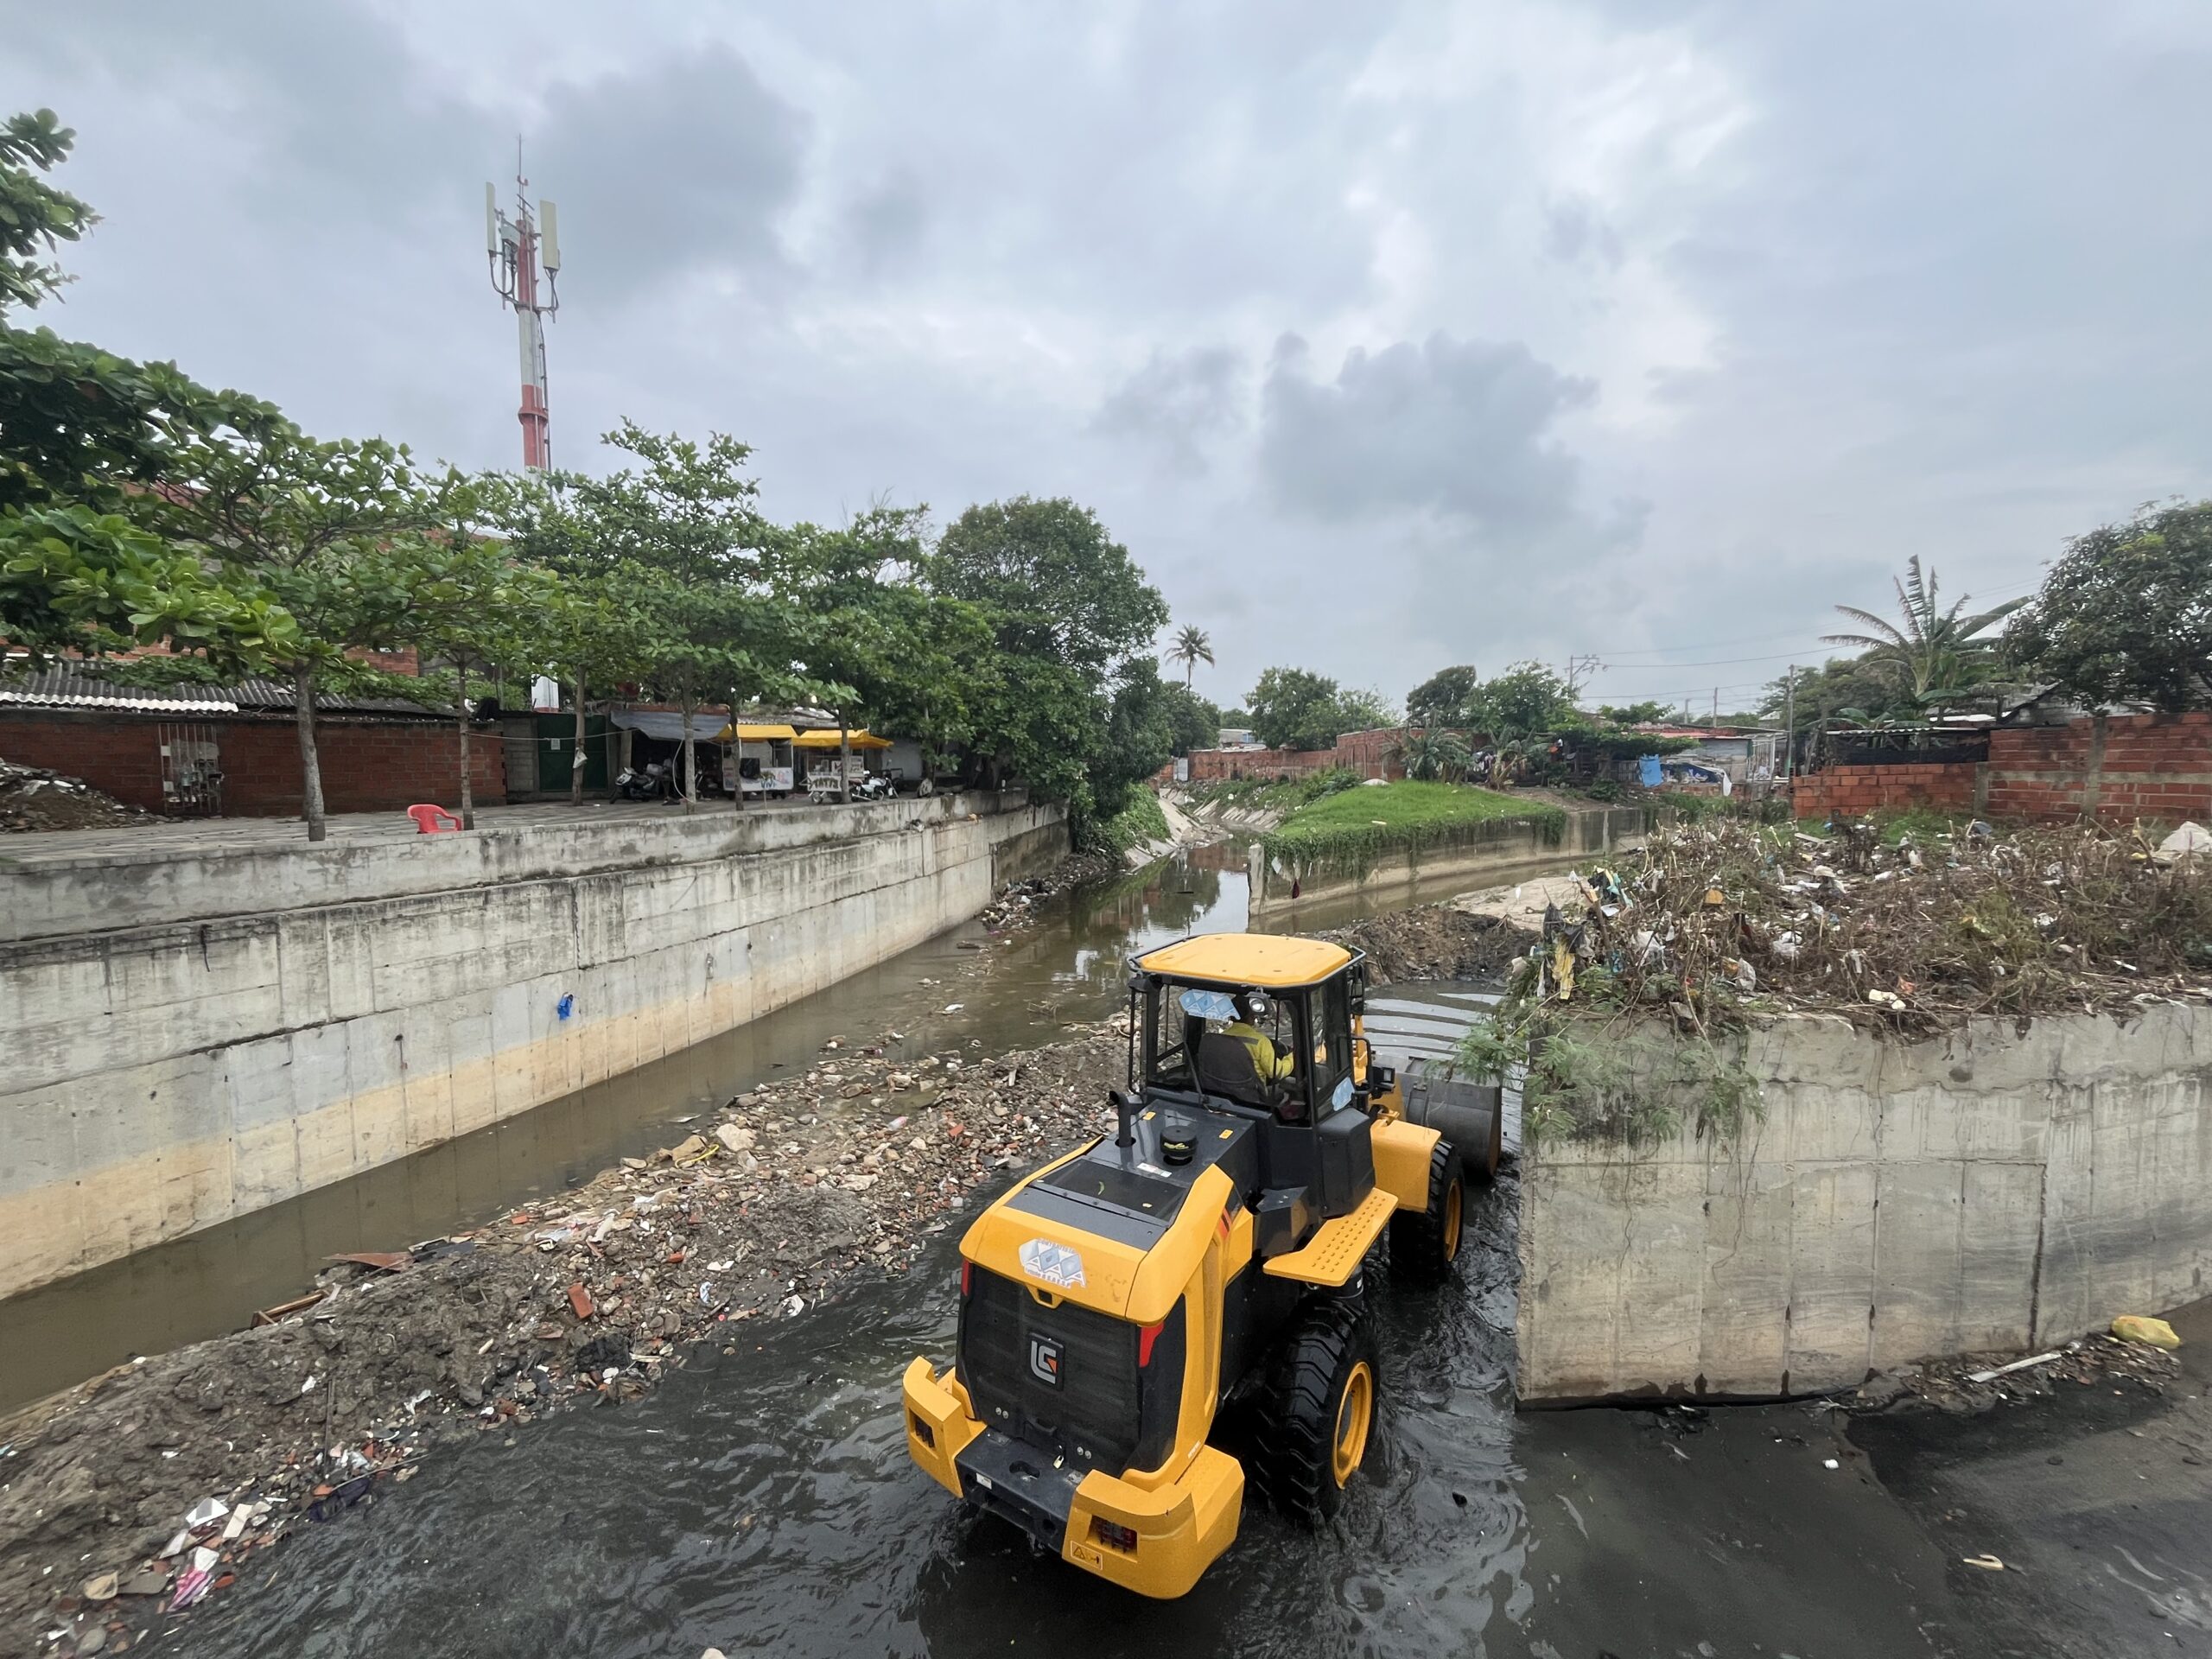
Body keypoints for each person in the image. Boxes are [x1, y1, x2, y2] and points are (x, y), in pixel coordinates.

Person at [1221, 991, 1294, 1084]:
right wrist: (1292, 1057)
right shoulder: (1260, 1042)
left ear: (1231, 1016)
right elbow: (1277, 1072)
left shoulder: (1220, 1038)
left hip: (1223, 1089)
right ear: (1251, 1016)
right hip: (1253, 1094)